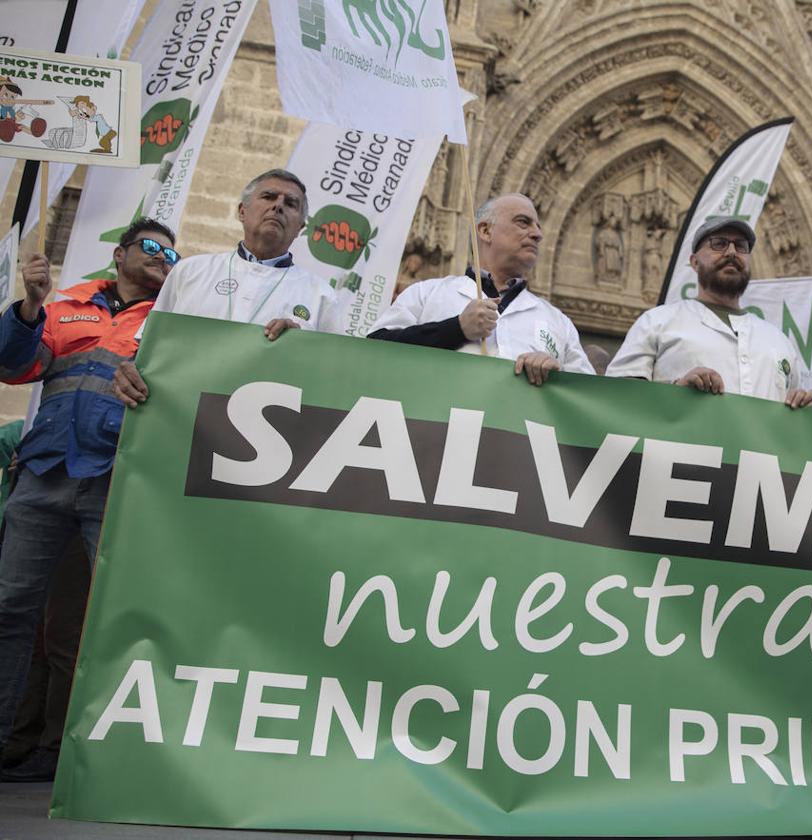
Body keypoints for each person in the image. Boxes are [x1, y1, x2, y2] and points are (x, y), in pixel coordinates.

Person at [0, 218, 177, 763]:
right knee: (9, 608)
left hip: (118, 480)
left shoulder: (178, 319)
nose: (163, 258)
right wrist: (29, 307)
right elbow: (15, 365)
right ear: (120, 255)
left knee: (121, 616)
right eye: (151, 248)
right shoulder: (68, 306)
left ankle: (100, 758)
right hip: (45, 474)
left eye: (171, 254)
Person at [113, 169, 342, 408]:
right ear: (242, 211)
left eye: (291, 203)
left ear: (300, 228)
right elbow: (149, 348)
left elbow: (333, 376)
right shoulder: (189, 271)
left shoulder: (321, 295)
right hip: (179, 414)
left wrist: (302, 347)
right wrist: (129, 373)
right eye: (269, 197)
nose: (278, 206)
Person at [369, 193, 593, 384]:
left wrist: (558, 375)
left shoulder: (558, 321)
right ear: (485, 231)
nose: (537, 234)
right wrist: (456, 329)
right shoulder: (427, 293)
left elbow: (591, 396)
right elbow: (374, 351)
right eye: (523, 222)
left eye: (538, 226)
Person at [605, 216, 812, 408]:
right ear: (694, 262)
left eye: (740, 246)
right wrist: (675, 391)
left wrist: (803, 408)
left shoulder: (778, 341)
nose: (731, 252)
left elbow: (797, 426)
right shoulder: (658, 322)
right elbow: (616, 399)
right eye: (719, 244)